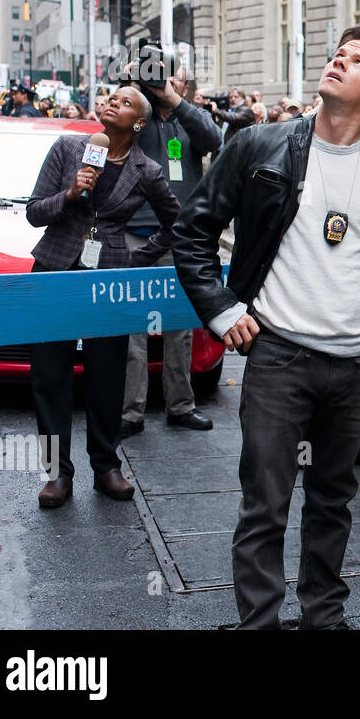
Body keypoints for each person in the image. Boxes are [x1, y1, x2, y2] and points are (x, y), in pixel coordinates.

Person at [172, 24, 360, 630]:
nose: (337, 63)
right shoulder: (259, 146)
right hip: (277, 358)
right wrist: (222, 309)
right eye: (336, 55)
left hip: (356, 367)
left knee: (333, 502)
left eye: (355, 62)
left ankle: (324, 615)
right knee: (265, 506)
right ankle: (260, 622)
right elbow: (193, 230)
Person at [26, 87, 181, 509]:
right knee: (49, 375)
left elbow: (176, 224)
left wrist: (136, 258)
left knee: (107, 373)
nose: (114, 102)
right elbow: (35, 211)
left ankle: (106, 465)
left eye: (126, 102)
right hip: (55, 270)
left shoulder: (147, 169)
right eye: (111, 97)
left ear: (139, 123)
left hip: (109, 277)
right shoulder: (68, 148)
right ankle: (57, 473)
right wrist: (72, 194)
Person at [117, 55, 223, 438]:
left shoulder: (190, 119)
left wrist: (174, 101)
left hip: (180, 238)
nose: (164, 84)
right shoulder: (138, 115)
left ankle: (181, 405)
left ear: (183, 86)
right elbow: (114, 127)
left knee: (180, 326)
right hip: (135, 235)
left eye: (173, 80)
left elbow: (216, 141)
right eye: (160, 79)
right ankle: (131, 412)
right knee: (135, 330)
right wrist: (131, 86)